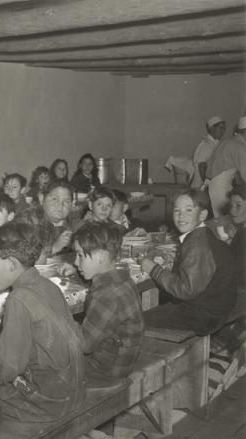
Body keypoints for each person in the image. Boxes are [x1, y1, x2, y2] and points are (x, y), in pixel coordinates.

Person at [0, 223, 85, 422]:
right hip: (73, 390)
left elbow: (8, 367)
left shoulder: (18, 299)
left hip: (51, 401)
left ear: (12, 264)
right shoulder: (47, 284)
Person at [141, 189, 236, 336]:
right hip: (214, 305)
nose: (181, 216)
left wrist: (154, 269)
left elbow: (186, 290)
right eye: (177, 210)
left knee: (137, 321)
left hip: (204, 315)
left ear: (203, 215)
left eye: (189, 210)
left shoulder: (197, 244)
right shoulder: (202, 234)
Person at [73, 223, 144, 386]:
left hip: (106, 371)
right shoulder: (122, 279)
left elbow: (84, 345)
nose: (76, 262)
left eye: (80, 255)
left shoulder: (107, 295)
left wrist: (61, 318)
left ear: (100, 256)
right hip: (118, 360)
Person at [21, 180, 83, 259]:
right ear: (41, 198)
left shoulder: (73, 223)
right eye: (54, 199)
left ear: (72, 204)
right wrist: (54, 248)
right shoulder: (27, 220)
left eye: (67, 201)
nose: (60, 205)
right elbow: (22, 257)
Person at [207, 116, 246, 217]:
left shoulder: (228, 141)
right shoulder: (240, 147)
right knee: (225, 221)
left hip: (213, 185)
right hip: (221, 186)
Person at [192, 116, 225, 189]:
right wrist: (207, 185)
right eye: (221, 128)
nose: (223, 131)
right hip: (200, 186)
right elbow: (202, 166)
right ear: (212, 128)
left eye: (224, 128)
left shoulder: (214, 144)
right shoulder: (206, 145)